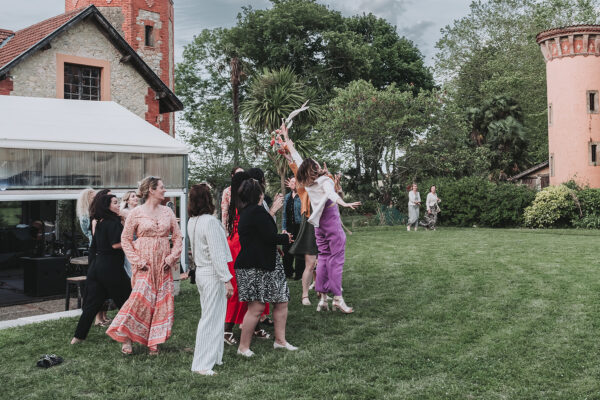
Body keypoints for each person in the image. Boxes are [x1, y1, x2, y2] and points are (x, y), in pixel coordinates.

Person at [283, 126, 360, 314]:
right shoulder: (325, 182)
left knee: (324, 259)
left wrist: (286, 139)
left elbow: (298, 159)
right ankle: (338, 298)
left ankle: (323, 299)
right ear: (315, 169)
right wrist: (344, 203)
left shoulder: (307, 184)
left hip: (318, 227)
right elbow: (332, 195)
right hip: (331, 223)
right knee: (336, 260)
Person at [106, 176, 183, 355]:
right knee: (139, 300)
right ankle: (126, 337)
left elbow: (178, 237)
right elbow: (125, 239)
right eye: (162, 187)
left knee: (160, 302)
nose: (165, 190)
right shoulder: (136, 212)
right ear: (152, 190)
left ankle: (153, 342)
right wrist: (137, 261)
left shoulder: (167, 212)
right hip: (144, 263)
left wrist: (171, 258)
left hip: (163, 264)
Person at [235, 179, 296, 357]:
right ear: (259, 194)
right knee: (256, 307)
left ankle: (280, 341)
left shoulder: (251, 212)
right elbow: (269, 236)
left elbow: (262, 236)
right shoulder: (255, 212)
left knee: (281, 300)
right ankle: (243, 347)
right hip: (255, 266)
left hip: (267, 263)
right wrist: (285, 238)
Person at [71, 194, 132, 344]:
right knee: (128, 302)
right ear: (107, 206)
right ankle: (130, 337)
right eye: (115, 203)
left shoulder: (99, 222)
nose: (118, 205)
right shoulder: (113, 222)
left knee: (92, 305)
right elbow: (116, 244)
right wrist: (135, 244)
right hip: (111, 267)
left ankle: (77, 338)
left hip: (97, 267)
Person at [187, 184, 234, 376]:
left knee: (213, 316)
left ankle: (214, 357)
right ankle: (201, 364)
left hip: (201, 272)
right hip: (212, 273)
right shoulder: (210, 222)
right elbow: (217, 254)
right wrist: (227, 279)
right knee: (210, 319)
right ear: (208, 200)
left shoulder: (193, 221)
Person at [282, 177, 305, 280]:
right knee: (286, 250)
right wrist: (283, 228)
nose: (293, 183)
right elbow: (284, 214)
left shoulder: (302, 196)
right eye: (291, 182)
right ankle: (288, 272)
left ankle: (299, 274)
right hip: (289, 227)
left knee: (299, 250)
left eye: (295, 182)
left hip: (299, 226)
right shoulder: (287, 197)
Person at [119, 190, 139, 278]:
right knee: (130, 264)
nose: (136, 198)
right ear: (127, 200)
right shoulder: (124, 211)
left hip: (139, 240)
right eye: (133, 196)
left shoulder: (139, 210)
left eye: (136, 196)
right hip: (130, 239)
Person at [221, 166, 244, 231]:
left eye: (242, 173)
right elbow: (224, 211)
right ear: (233, 175)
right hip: (232, 225)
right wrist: (224, 229)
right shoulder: (227, 191)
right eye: (238, 174)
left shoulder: (248, 189)